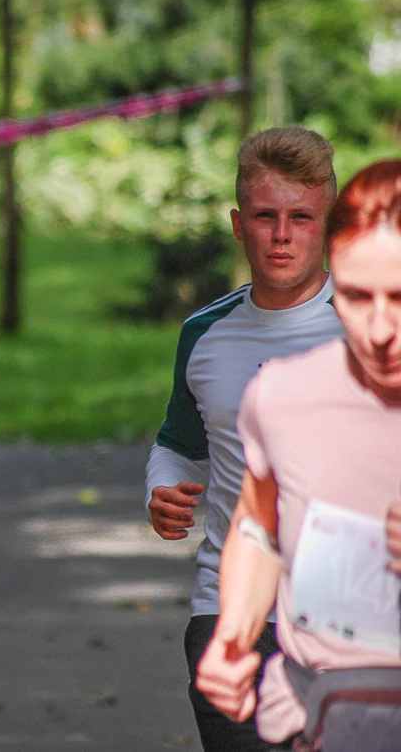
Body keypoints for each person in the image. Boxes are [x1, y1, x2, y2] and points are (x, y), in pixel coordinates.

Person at [145, 127, 343, 750]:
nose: (282, 235)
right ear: (238, 224)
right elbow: (178, 443)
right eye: (265, 216)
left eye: (301, 217)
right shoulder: (204, 334)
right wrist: (161, 489)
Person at [195, 158, 401, 750]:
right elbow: (259, 525)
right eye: (357, 296)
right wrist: (233, 637)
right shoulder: (283, 393)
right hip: (320, 707)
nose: (379, 330)